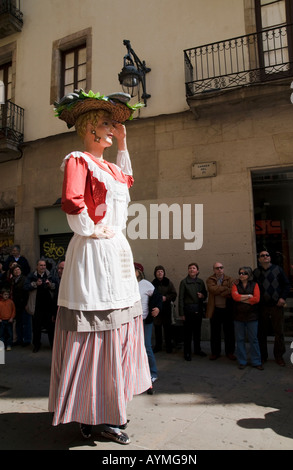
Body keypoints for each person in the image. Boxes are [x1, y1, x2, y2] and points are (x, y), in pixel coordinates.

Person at [48, 89, 151, 444]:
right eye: (107, 124)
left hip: (116, 248)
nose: (112, 129)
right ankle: (91, 411)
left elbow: (126, 182)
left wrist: (123, 144)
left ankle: (107, 408)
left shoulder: (111, 166)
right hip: (94, 249)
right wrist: (92, 231)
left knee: (119, 324)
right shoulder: (77, 158)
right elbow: (73, 201)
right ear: (91, 128)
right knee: (96, 325)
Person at [253, 250, 290, 366]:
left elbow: (286, 285)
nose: (265, 257)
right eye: (262, 256)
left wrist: (283, 298)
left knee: (279, 332)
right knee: (261, 332)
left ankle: (279, 356)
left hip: (276, 305)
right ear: (259, 259)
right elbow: (251, 286)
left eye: (267, 255)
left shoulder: (278, 269)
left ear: (270, 258)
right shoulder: (256, 272)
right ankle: (263, 356)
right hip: (262, 306)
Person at [135, 263, 162, 394]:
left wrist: (157, 308)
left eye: (134, 270)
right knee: (133, 348)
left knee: (146, 346)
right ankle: (135, 374)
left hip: (145, 321)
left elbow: (157, 297)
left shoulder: (146, 284)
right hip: (131, 322)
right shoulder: (125, 284)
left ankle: (153, 372)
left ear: (140, 272)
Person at [231, 267, 263, 370]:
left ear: (249, 275)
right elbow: (235, 297)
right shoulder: (235, 285)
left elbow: (256, 299)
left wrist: (242, 298)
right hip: (238, 316)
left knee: (253, 339)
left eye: (244, 273)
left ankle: (256, 361)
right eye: (240, 273)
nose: (241, 275)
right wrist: (249, 296)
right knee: (240, 339)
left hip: (252, 316)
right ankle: (242, 361)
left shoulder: (254, 285)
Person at [24, 259, 56, 352]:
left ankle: (53, 345)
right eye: (41, 265)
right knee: (36, 327)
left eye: (44, 265)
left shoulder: (50, 275)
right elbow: (25, 287)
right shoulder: (31, 276)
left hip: (48, 306)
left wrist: (50, 285)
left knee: (50, 327)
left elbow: (56, 286)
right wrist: (35, 284)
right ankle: (36, 345)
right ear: (37, 266)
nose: (43, 267)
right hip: (36, 306)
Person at [206, 262, 235, 361]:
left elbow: (232, 290)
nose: (219, 269)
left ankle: (230, 352)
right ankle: (215, 353)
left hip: (227, 310)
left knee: (229, 332)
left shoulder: (230, 279)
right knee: (215, 333)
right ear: (214, 270)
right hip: (215, 310)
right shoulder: (210, 279)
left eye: (221, 267)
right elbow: (212, 289)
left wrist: (222, 291)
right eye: (217, 268)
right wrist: (225, 289)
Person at [178, 262, 207, 361]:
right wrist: (181, 313)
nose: (191, 270)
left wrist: (202, 296)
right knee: (188, 333)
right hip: (188, 310)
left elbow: (205, 294)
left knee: (197, 331)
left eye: (194, 268)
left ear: (197, 271)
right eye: (190, 268)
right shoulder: (184, 282)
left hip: (198, 309)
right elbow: (181, 298)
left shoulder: (201, 282)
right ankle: (187, 352)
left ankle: (197, 350)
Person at [152, 265, 177, 353]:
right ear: (155, 273)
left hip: (166, 308)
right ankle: (158, 346)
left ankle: (168, 346)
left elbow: (174, 294)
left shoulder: (168, 282)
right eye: (158, 271)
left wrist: (166, 298)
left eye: (161, 271)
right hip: (156, 309)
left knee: (167, 328)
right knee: (157, 328)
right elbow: (150, 295)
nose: (160, 273)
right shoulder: (152, 283)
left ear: (164, 273)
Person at [11, 264, 31, 346]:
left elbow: (27, 293)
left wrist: (27, 304)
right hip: (16, 304)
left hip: (24, 304)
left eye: (18, 269)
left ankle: (27, 340)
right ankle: (19, 339)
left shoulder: (24, 279)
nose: (17, 271)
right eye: (15, 270)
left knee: (26, 323)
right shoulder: (13, 280)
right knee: (18, 323)